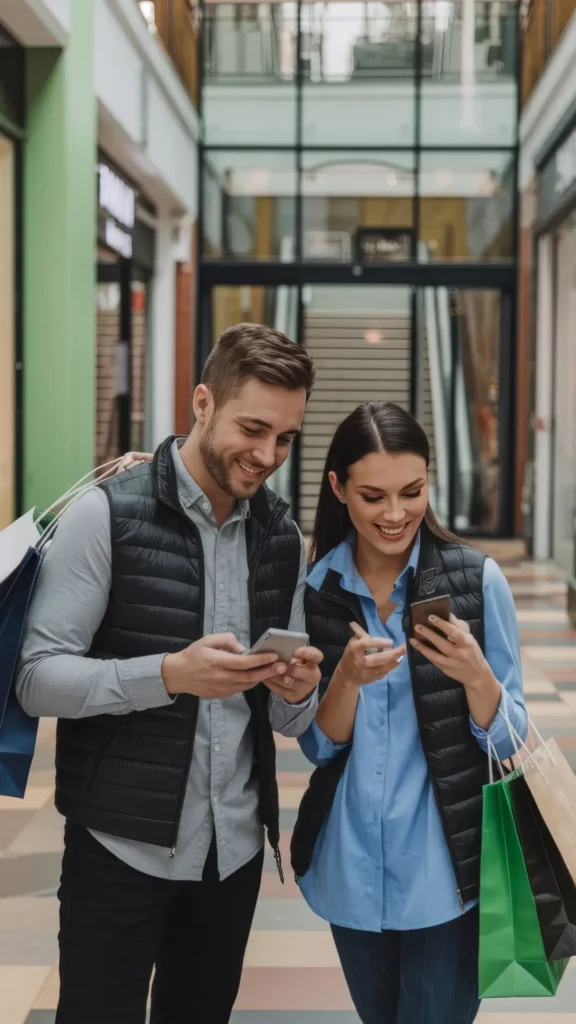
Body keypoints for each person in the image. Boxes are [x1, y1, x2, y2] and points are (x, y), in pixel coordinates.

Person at [16, 323, 323, 1024]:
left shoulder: (282, 535)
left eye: (285, 438)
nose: (267, 455)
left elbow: (284, 718)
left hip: (234, 854)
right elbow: (35, 677)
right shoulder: (107, 516)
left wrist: (299, 693)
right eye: (253, 428)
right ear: (202, 403)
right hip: (120, 847)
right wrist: (168, 675)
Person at [290, 400, 527, 1024]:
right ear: (338, 488)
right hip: (350, 863)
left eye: (412, 491)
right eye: (373, 497)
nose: (395, 515)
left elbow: (513, 735)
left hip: (450, 866)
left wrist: (477, 677)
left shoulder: (478, 582)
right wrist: (344, 679)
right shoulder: (314, 592)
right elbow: (319, 748)